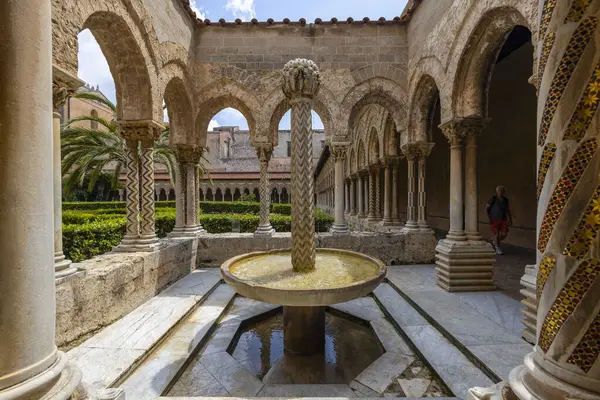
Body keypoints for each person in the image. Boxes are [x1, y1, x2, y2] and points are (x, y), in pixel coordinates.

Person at [485, 185, 512, 255]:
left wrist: (510, 218)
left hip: (503, 219)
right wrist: (488, 217)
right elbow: (486, 208)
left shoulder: (506, 200)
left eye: (502, 191)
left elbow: (507, 210)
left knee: (504, 234)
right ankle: (498, 248)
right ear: (497, 192)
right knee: (496, 234)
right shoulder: (493, 199)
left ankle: (495, 241)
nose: (500, 192)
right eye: (499, 191)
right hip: (494, 219)